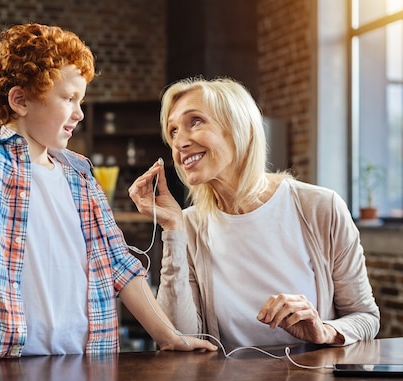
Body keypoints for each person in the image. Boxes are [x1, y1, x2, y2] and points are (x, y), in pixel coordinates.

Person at [0, 24, 216, 371]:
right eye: (69, 98)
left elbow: (119, 264)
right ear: (20, 100)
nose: (79, 113)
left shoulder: (80, 173)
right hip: (11, 363)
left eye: (80, 101)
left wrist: (169, 337)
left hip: (89, 363)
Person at [129, 77, 380, 351]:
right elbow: (179, 336)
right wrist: (173, 230)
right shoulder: (189, 225)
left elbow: (366, 317)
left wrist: (324, 331)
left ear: (241, 129)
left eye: (195, 121)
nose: (179, 143)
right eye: (173, 131)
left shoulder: (321, 207)